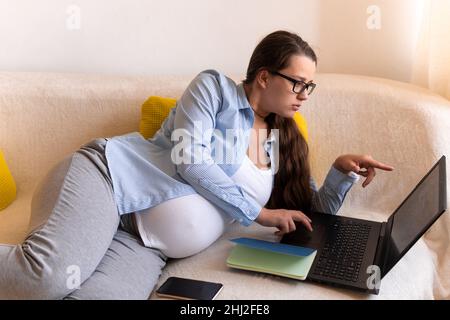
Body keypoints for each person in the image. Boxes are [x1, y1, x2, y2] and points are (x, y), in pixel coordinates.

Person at [0, 30, 394, 300]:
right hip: (106, 180)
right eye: (298, 83)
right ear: (263, 76)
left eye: (310, 86)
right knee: (44, 277)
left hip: (144, 244)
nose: (305, 95)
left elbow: (311, 218)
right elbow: (190, 159)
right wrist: (258, 212)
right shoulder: (213, 89)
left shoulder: (283, 140)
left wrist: (340, 172)